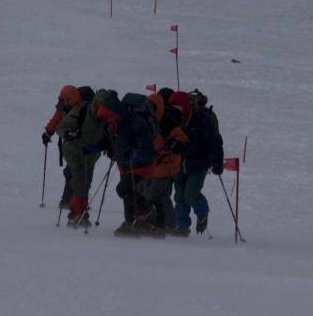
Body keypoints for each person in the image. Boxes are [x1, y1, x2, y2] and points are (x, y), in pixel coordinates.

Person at [83, 91, 158, 236]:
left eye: (109, 117)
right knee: (126, 193)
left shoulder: (136, 121)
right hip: (125, 165)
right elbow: (104, 141)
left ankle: (148, 211)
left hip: (142, 165)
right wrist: (93, 147)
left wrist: (136, 154)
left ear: (115, 112)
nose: (108, 121)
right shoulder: (110, 124)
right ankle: (129, 223)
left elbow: (149, 151)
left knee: (122, 190)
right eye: (105, 119)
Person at [167, 91, 224, 237]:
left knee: (191, 195)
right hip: (179, 162)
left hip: (199, 163)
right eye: (174, 109)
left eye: (179, 110)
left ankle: (202, 213)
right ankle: (182, 225)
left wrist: (217, 161)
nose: (177, 113)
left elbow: (214, 140)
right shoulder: (170, 118)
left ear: (185, 108)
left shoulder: (201, 118)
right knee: (179, 196)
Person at [136, 93, 188, 234]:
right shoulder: (145, 119)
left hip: (168, 161)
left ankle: (157, 224)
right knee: (145, 190)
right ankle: (169, 224)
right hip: (152, 160)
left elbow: (184, 142)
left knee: (154, 194)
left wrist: (173, 143)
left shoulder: (168, 122)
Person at [55, 89, 108, 227]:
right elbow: (60, 127)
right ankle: (81, 214)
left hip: (90, 155)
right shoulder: (80, 112)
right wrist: (69, 134)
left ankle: (74, 213)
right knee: (80, 184)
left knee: (86, 183)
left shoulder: (107, 118)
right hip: (73, 152)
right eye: (99, 104)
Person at [41, 85, 84, 209]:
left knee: (73, 172)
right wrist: (48, 133)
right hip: (69, 144)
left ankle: (68, 201)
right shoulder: (62, 108)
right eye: (63, 99)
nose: (64, 102)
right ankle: (77, 198)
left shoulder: (81, 110)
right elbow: (56, 120)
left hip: (81, 145)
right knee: (71, 172)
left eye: (66, 100)